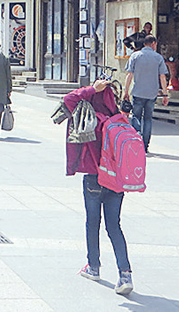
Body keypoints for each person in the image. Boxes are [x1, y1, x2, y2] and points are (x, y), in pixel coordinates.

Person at [63, 80, 134, 296]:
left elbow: (69, 99)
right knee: (114, 226)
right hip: (116, 180)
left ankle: (93, 267)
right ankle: (125, 274)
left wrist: (92, 89)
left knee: (92, 223)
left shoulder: (90, 118)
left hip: (94, 177)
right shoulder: (119, 121)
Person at [123, 35, 169, 153]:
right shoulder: (158, 58)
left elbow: (129, 75)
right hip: (152, 94)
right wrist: (165, 94)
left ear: (144, 44)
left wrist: (126, 92)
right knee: (148, 119)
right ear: (153, 43)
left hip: (138, 92)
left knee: (136, 117)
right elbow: (162, 77)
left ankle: (136, 141)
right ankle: (145, 145)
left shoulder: (135, 56)